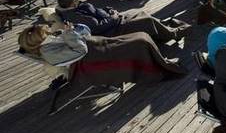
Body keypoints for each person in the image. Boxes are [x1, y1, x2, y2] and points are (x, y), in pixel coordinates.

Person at [18, 24, 186, 84]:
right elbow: (80, 51)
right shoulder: (48, 52)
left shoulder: (47, 47)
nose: (47, 31)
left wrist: (71, 32)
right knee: (140, 42)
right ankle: (158, 68)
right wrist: (69, 33)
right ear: (38, 40)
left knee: (140, 37)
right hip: (93, 59)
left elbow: (75, 46)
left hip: (96, 48)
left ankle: (160, 61)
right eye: (44, 32)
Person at [55, 0, 189, 43]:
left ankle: (163, 29)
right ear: (71, 3)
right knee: (147, 21)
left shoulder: (76, 9)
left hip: (113, 21)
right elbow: (98, 27)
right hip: (112, 30)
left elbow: (96, 12)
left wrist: (108, 10)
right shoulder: (76, 16)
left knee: (141, 13)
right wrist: (113, 16)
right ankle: (175, 33)